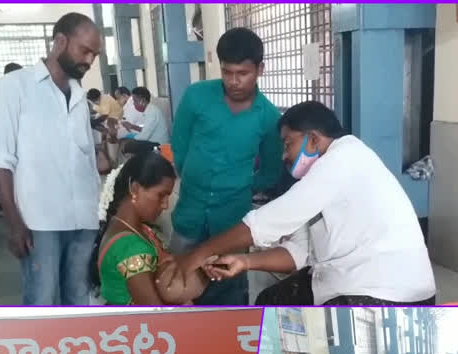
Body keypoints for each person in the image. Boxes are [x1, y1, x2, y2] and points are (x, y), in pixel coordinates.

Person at [166, 101, 436, 306]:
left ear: (314, 139)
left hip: (389, 293)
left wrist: (198, 253)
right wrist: (244, 261)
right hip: (355, 280)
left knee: (288, 316)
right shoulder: (322, 178)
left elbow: (270, 221)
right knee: (270, 301)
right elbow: (297, 252)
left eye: (288, 144)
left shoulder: (344, 158)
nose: (284, 155)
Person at [0, 12, 102, 305]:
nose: (89, 61)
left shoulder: (79, 96)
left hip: (84, 220)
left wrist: (99, 214)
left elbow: (88, 162)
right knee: (43, 300)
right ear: (60, 42)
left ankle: (77, 352)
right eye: (84, 50)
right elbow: (1, 161)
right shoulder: (16, 86)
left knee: (79, 299)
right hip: (41, 222)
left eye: (95, 54)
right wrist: (14, 224)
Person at [168, 27, 283, 305]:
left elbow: (270, 171)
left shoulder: (268, 117)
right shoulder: (196, 97)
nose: (233, 81)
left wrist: (239, 186)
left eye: (242, 73)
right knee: (176, 284)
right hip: (189, 213)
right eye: (226, 72)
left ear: (260, 69)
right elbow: (179, 146)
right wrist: (194, 177)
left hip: (231, 223)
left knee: (227, 292)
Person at [90, 153, 207, 305]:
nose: (165, 205)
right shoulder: (130, 247)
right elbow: (154, 313)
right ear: (135, 188)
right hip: (136, 327)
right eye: (161, 195)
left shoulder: (126, 227)